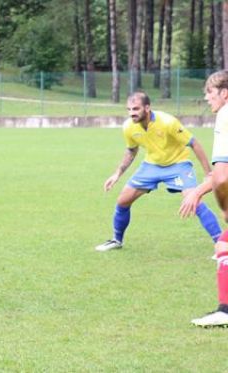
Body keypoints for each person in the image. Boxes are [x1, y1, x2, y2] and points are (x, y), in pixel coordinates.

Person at [95, 91, 221, 252]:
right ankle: (116, 240)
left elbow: (194, 143)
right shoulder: (128, 127)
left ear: (147, 108)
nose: (131, 113)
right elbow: (131, 151)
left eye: (136, 109)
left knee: (194, 201)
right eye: (129, 109)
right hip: (151, 166)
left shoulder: (167, 122)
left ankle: (221, 244)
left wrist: (208, 173)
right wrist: (117, 173)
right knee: (122, 201)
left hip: (178, 164)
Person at [179, 70, 228, 327]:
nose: (207, 98)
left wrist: (225, 206)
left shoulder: (224, 115)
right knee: (224, 245)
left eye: (209, 92)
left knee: (225, 244)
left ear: (224, 93)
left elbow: (221, 176)